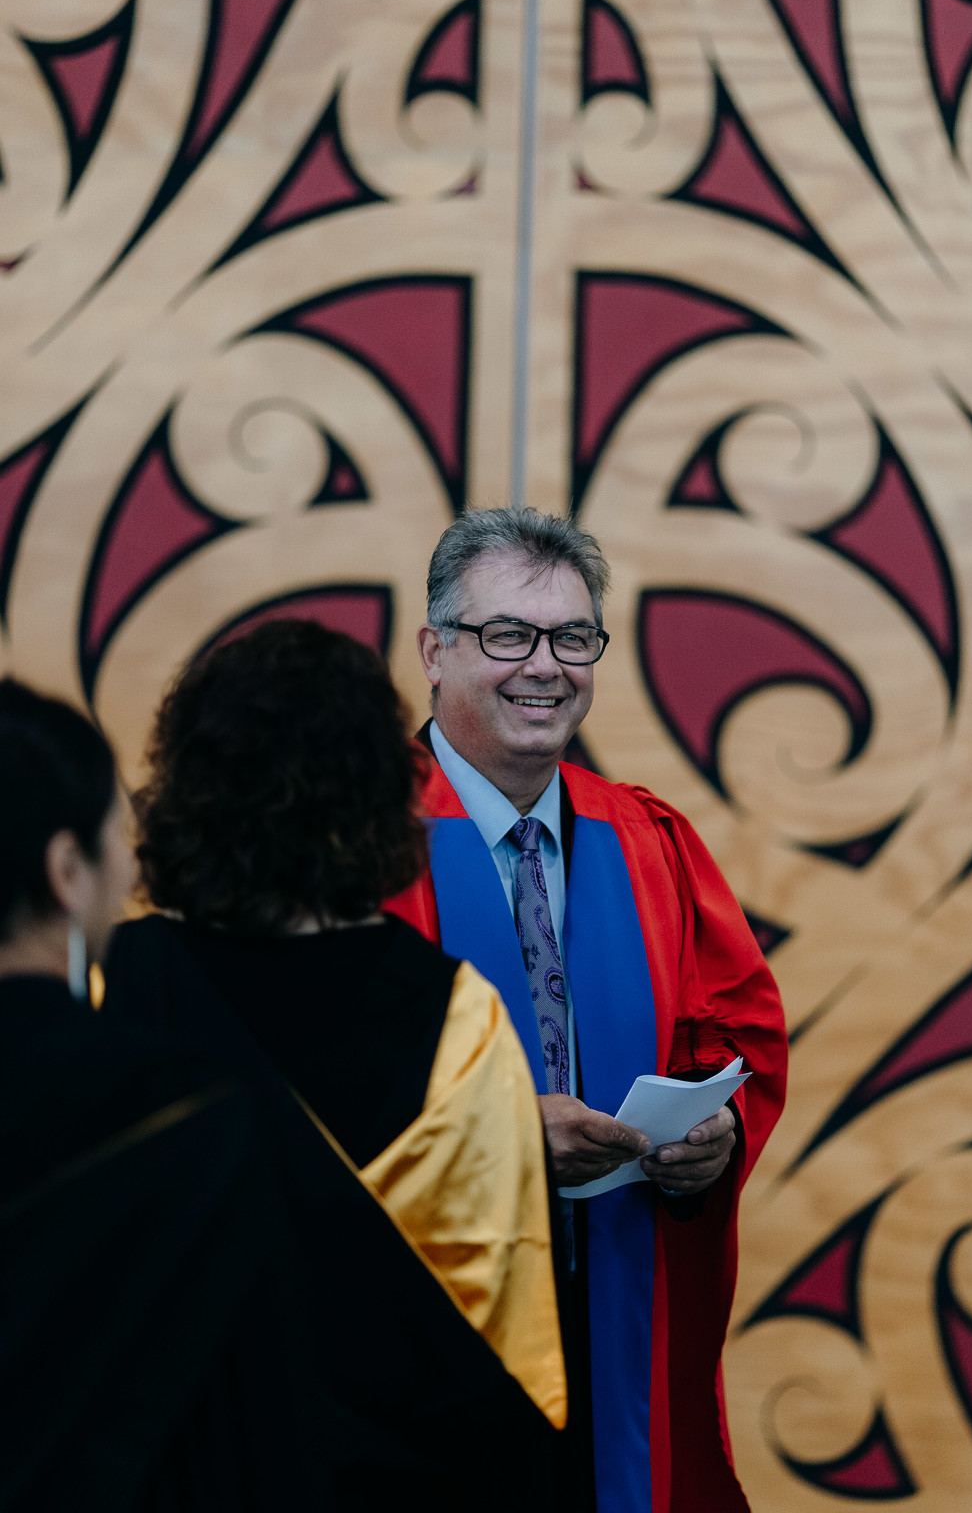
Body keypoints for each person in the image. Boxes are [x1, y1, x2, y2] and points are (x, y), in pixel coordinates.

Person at [103, 621, 568, 1510]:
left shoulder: (114, 986)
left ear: (187, 788)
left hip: (161, 1472)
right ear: (381, 794)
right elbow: (498, 1330)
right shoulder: (452, 1016)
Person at [386, 507, 789, 1513]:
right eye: (507, 635)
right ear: (434, 651)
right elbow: (305, 1081)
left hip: (611, 1299)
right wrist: (502, 1142)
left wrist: (714, 1134)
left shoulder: (648, 839)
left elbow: (733, 1033)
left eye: (572, 637)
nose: (544, 666)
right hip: (417, 1325)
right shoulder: (361, 841)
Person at [0, 677, 331, 1513]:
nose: (132, 864)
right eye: (117, 835)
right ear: (67, 870)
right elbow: (256, 1426)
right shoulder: (184, 1113)